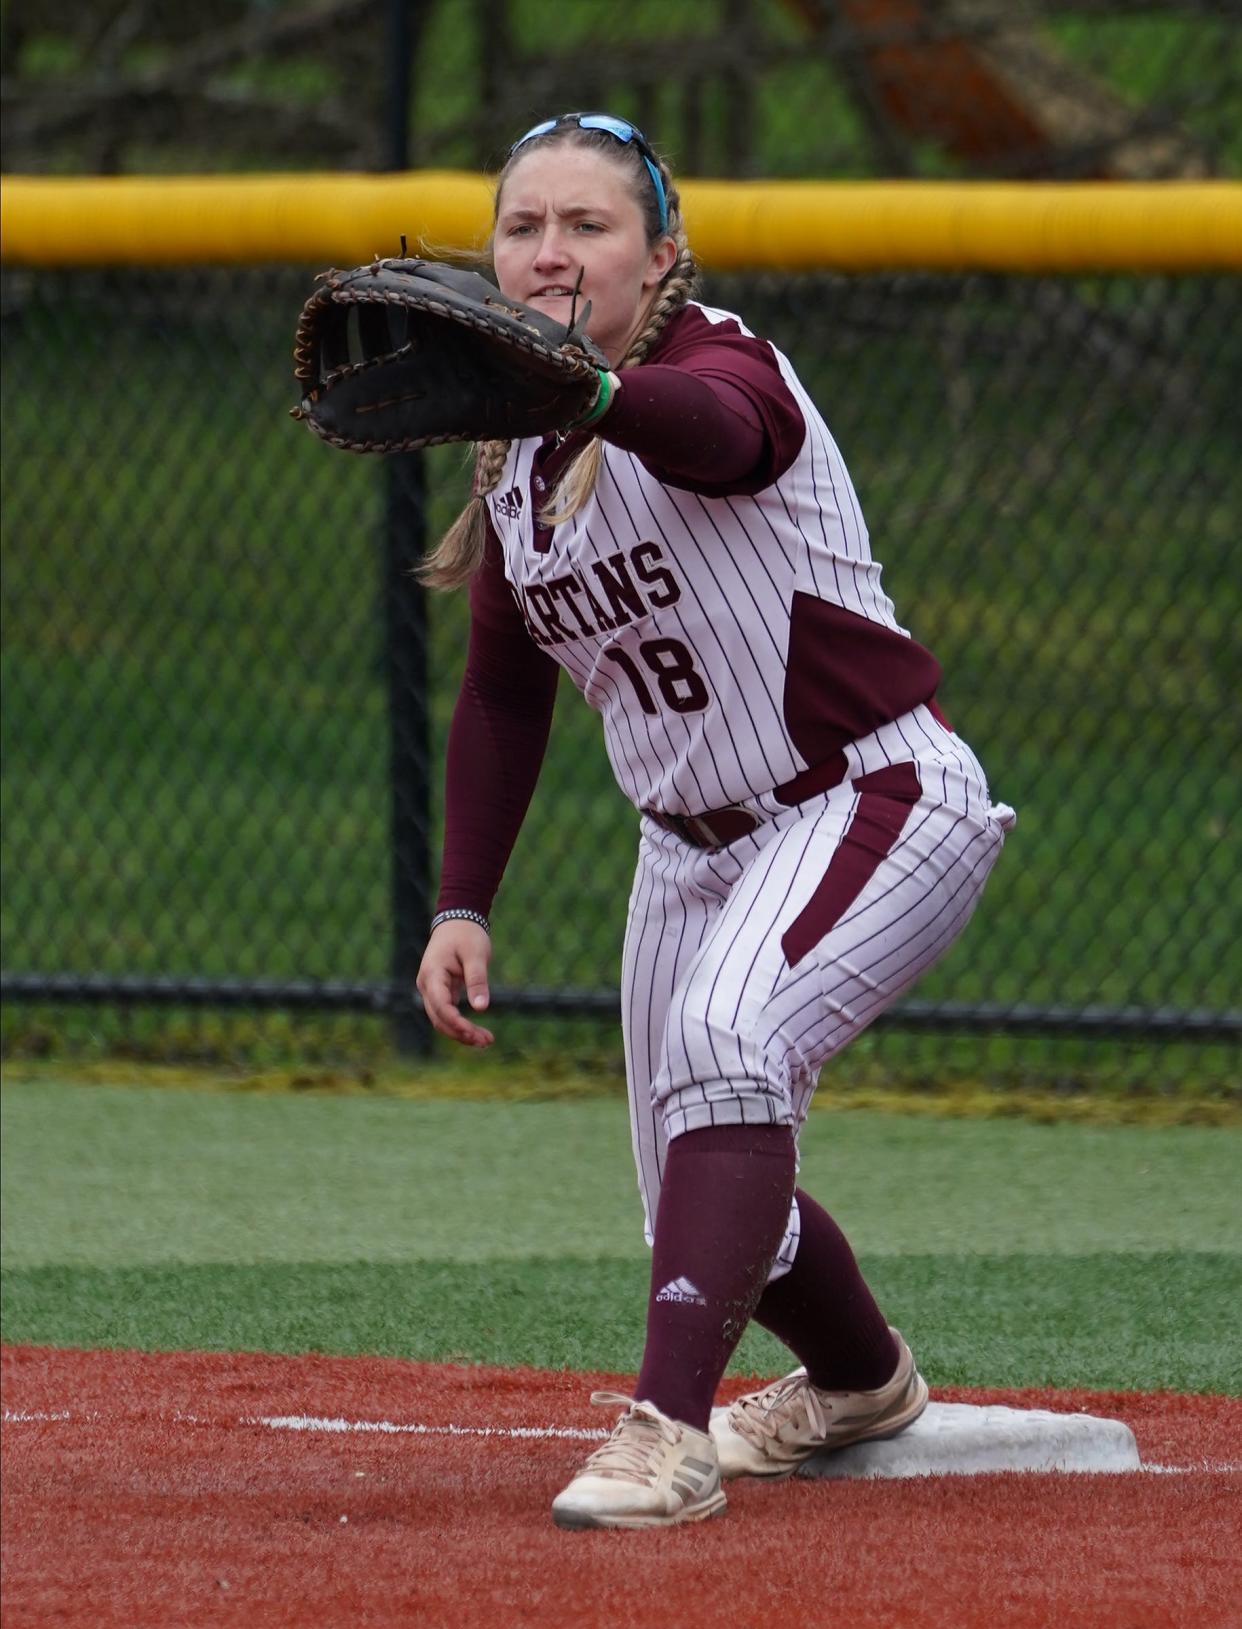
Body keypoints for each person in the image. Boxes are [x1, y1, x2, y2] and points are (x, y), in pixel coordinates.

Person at [415, 111, 1015, 1531]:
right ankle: (862, 1382)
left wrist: (588, 393)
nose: (549, 251)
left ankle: (666, 1435)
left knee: (725, 1047)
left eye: (588, 225)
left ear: (661, 256)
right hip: (686, 848)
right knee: (695, 1184)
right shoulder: (514, 458)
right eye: (522, 226)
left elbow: (725, 441)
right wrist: (459, 899)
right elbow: (503, 689)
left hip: (866, 792)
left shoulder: (717, 363)